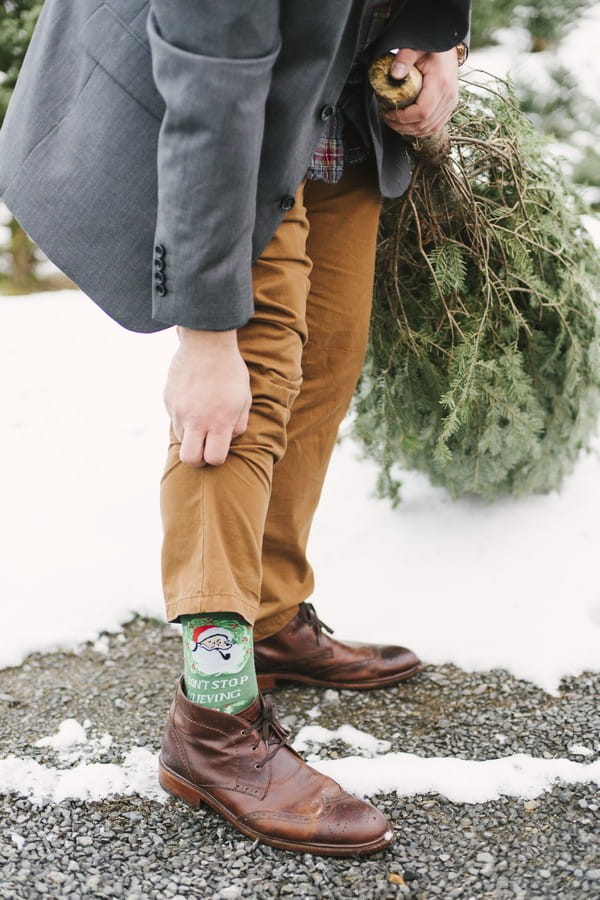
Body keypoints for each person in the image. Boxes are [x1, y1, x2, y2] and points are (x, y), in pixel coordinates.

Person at [0, 0, 470, 856]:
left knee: (326, 359)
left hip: (328, 102)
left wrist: (435, 37)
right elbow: (213, 90)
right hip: (221, 115)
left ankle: (270, 614)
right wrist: (208, 338)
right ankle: (213, 723)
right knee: (240, 402)